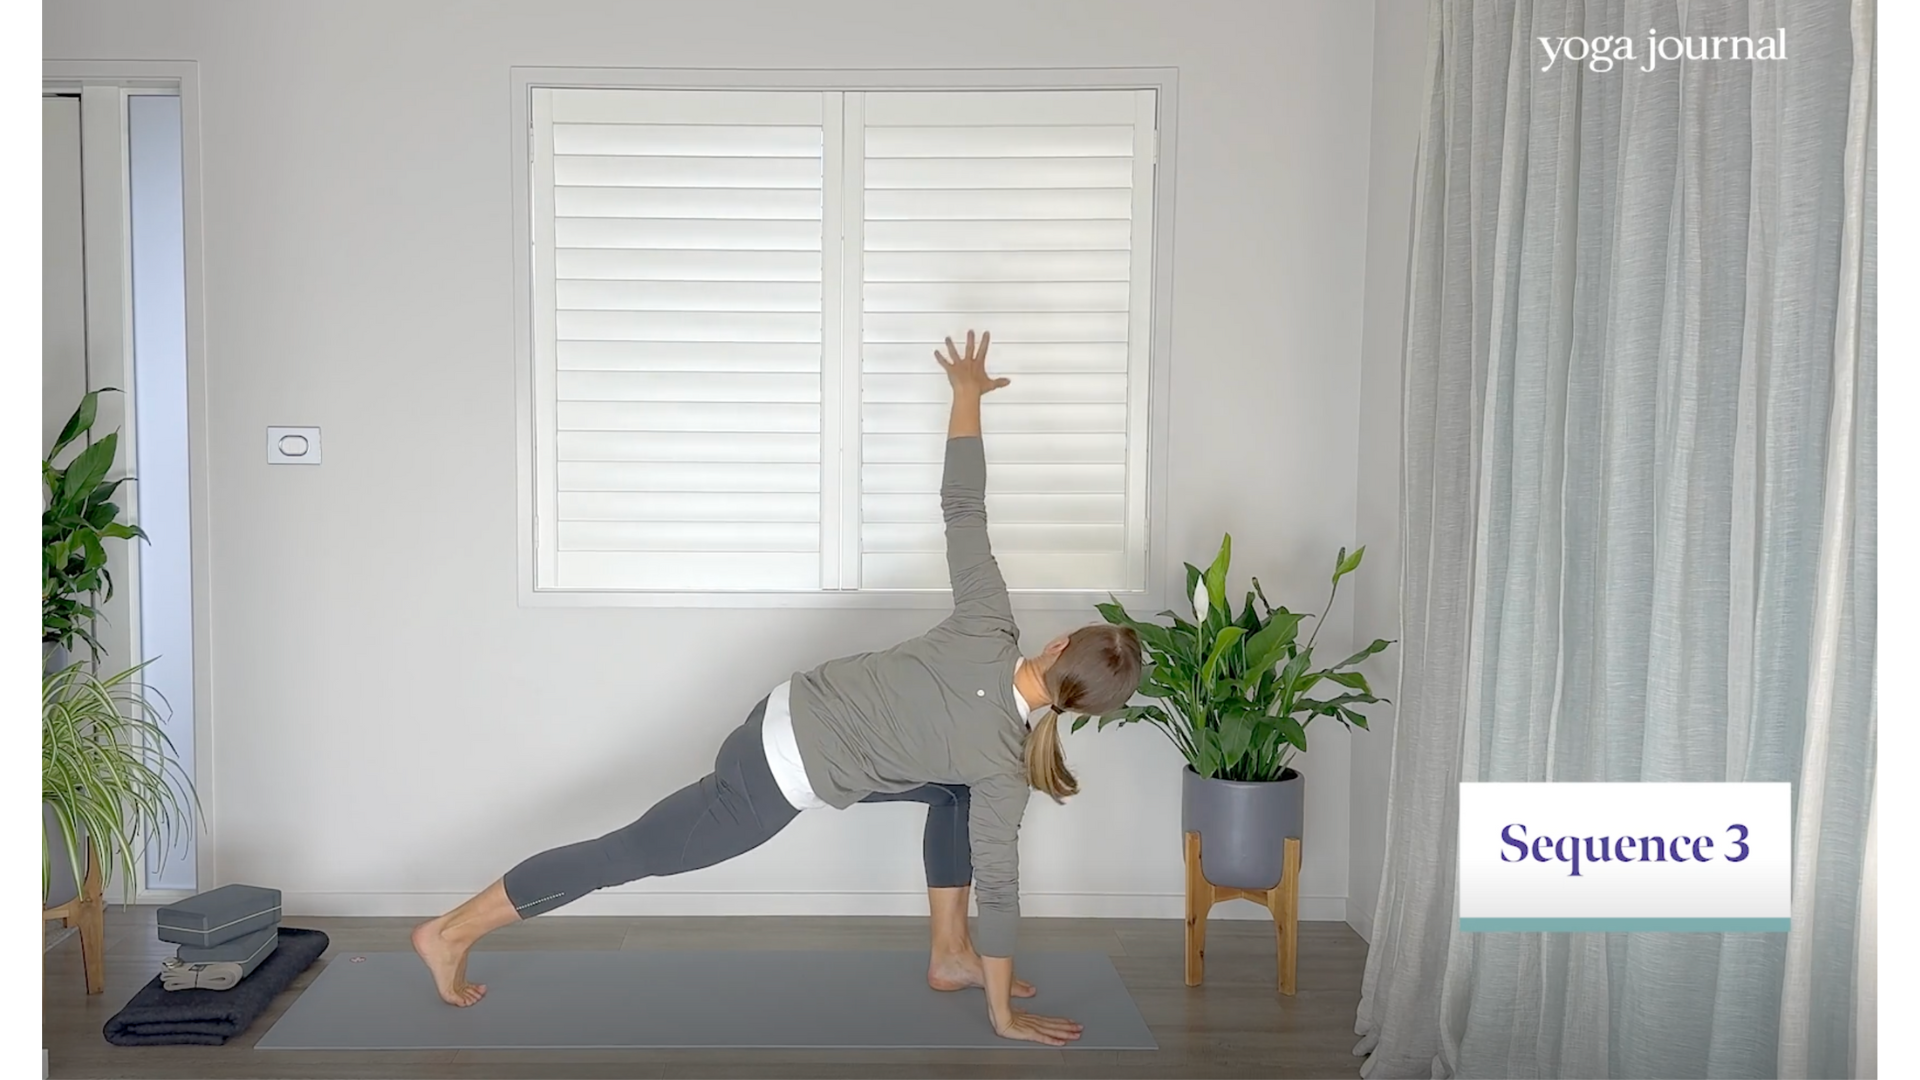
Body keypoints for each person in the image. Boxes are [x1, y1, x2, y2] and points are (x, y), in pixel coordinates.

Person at [410, 330, 1142, 1046]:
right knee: (626, 855)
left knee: (952, 792)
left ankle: (950, 955)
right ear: (1087, 712)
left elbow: (963, 505)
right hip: (773, 773)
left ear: (1055, 646)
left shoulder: (989, 621)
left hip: (791, 707)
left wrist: (965, 394)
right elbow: (1003, 889)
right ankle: (449, 932)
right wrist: (1003, 1015)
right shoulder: (1004, 767)